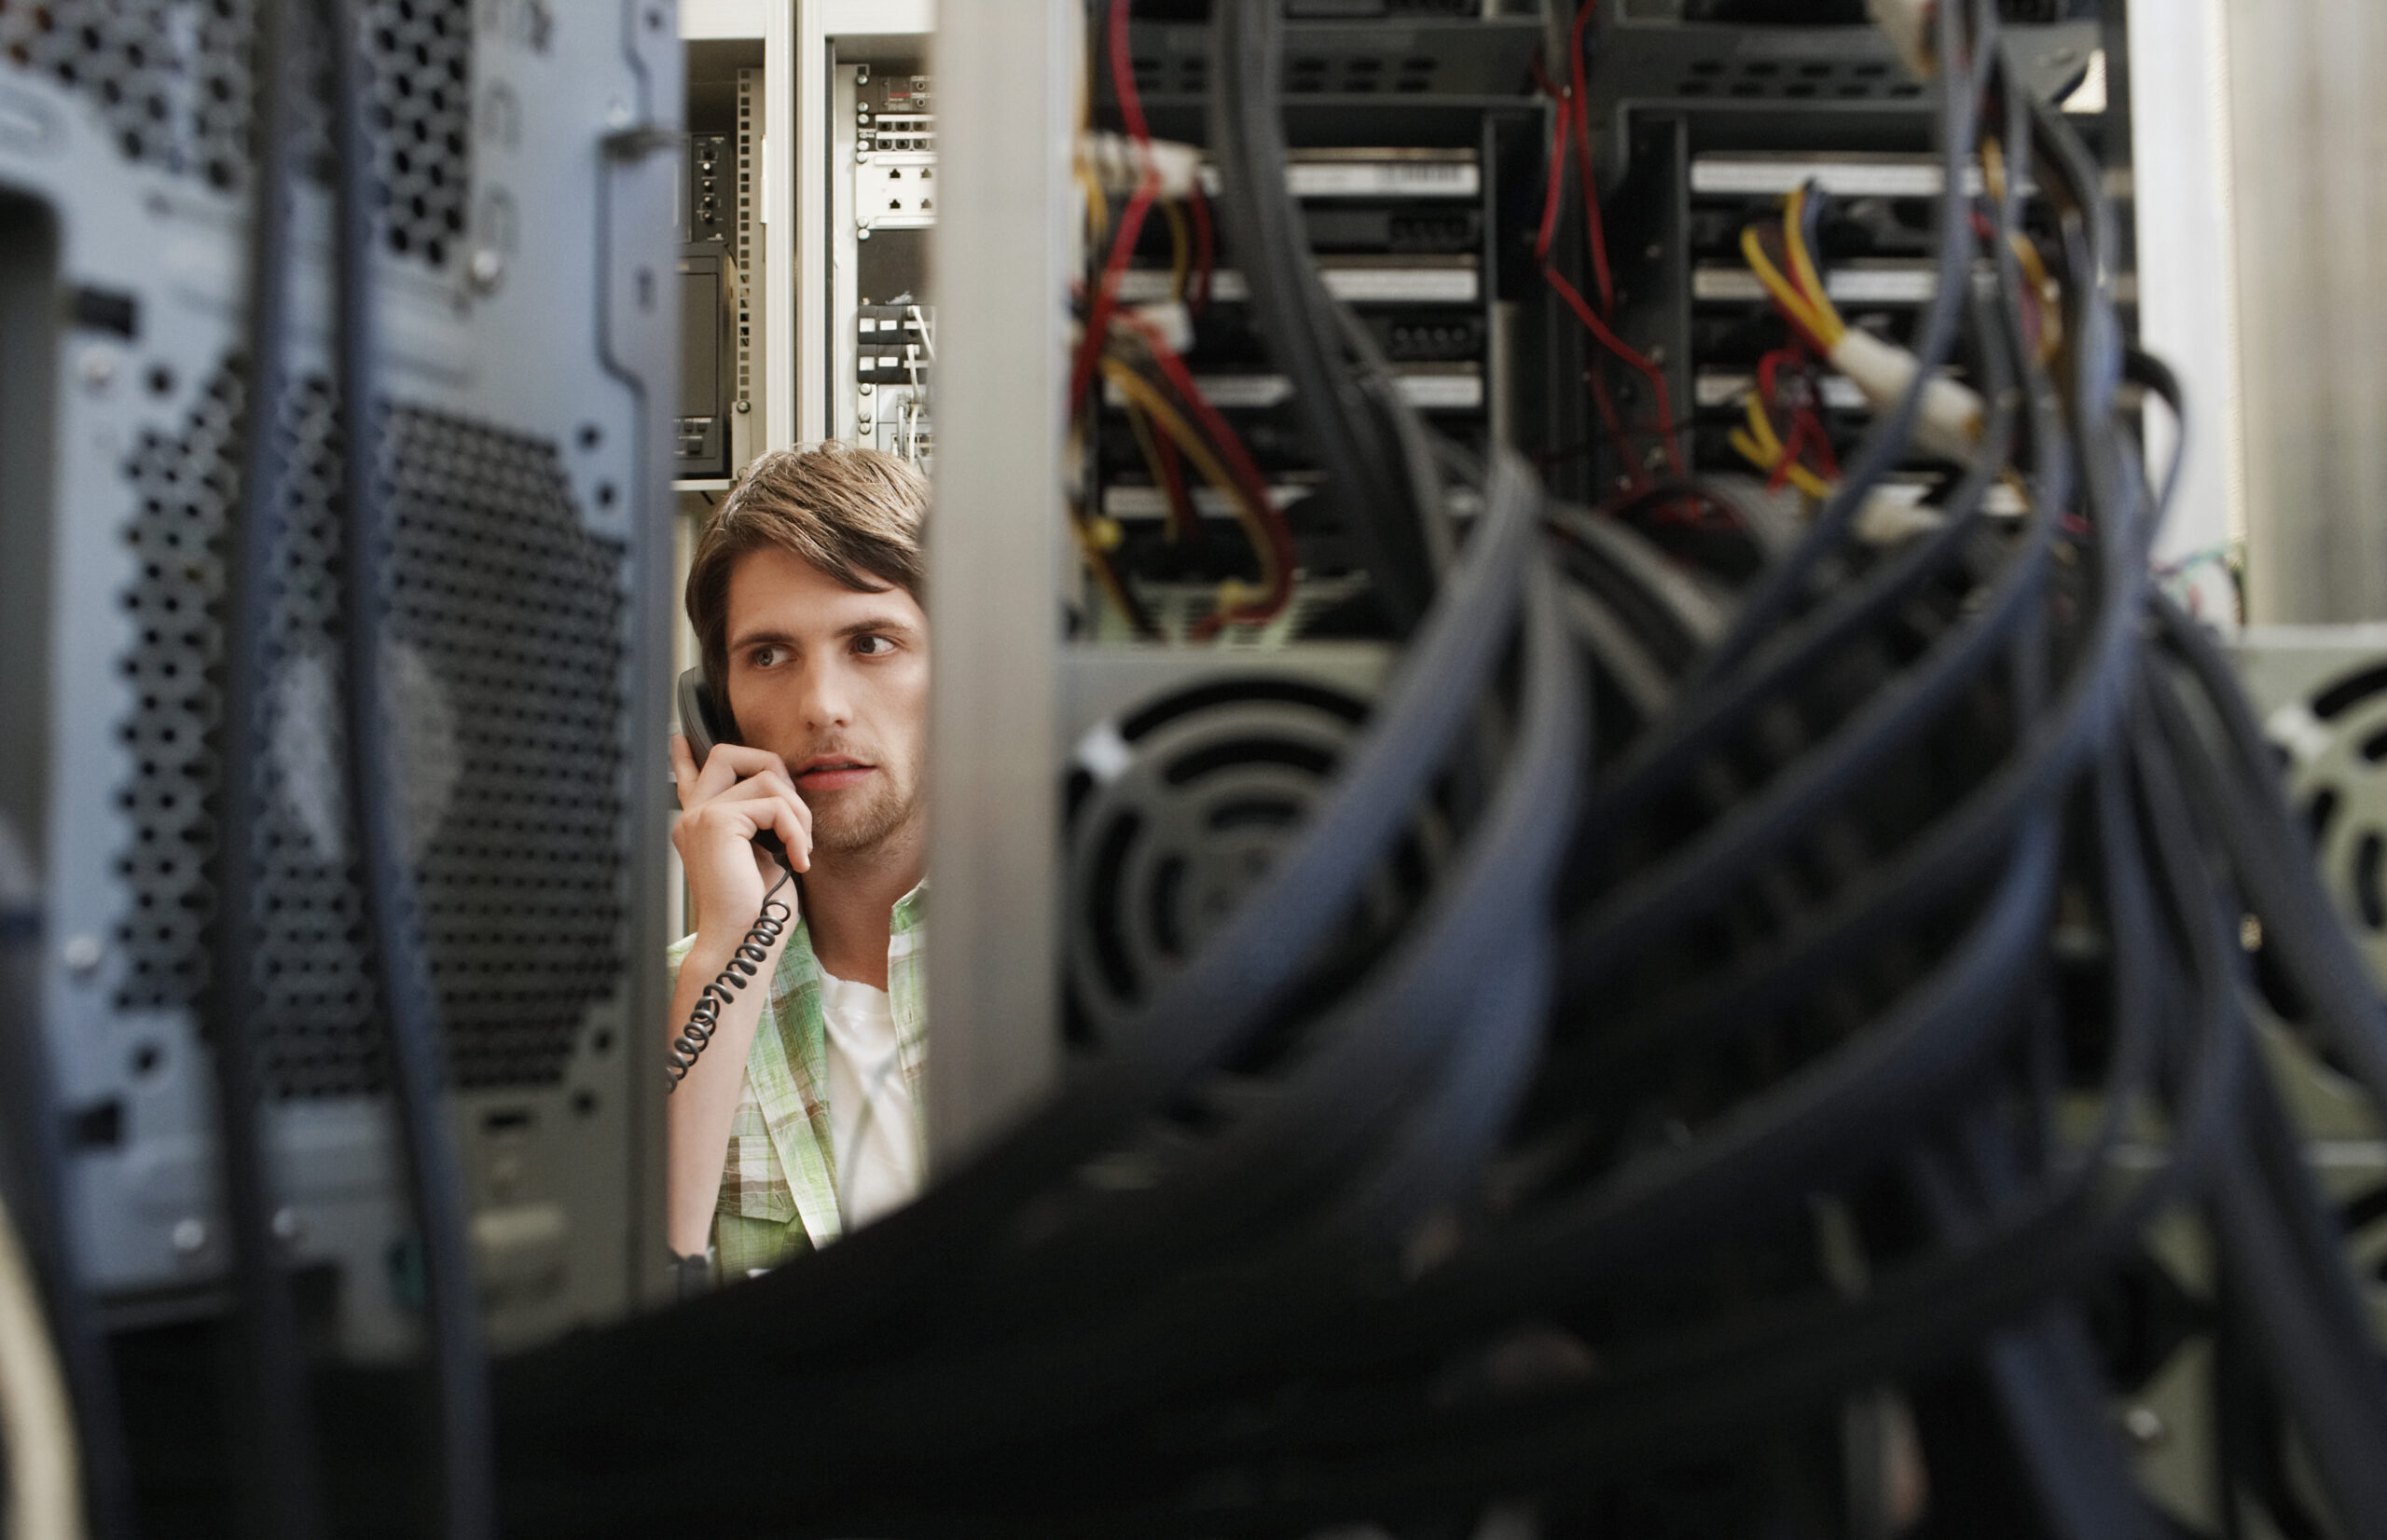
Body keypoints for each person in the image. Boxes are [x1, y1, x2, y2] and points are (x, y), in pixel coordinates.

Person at [664, 443, 931, 1283]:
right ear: (717, 712)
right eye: (769, 655)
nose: (820, 706)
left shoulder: (1067, 972)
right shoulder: (671, 1010)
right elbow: (614, 1310)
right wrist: (730, 953)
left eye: (873, 643)